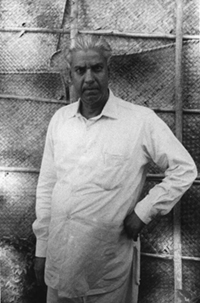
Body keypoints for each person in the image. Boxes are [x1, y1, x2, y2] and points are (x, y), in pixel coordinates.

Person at [32, 35, 197, 303]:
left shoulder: (140, 121)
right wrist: (41, 249)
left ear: (108, 70)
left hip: (106, 269)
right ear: (70, 75)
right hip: (59, 262)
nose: (89, 79)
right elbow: (48, 186)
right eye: (80, 70)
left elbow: (184, 168)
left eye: (96, 68)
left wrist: (144, 211)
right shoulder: (60, 121)